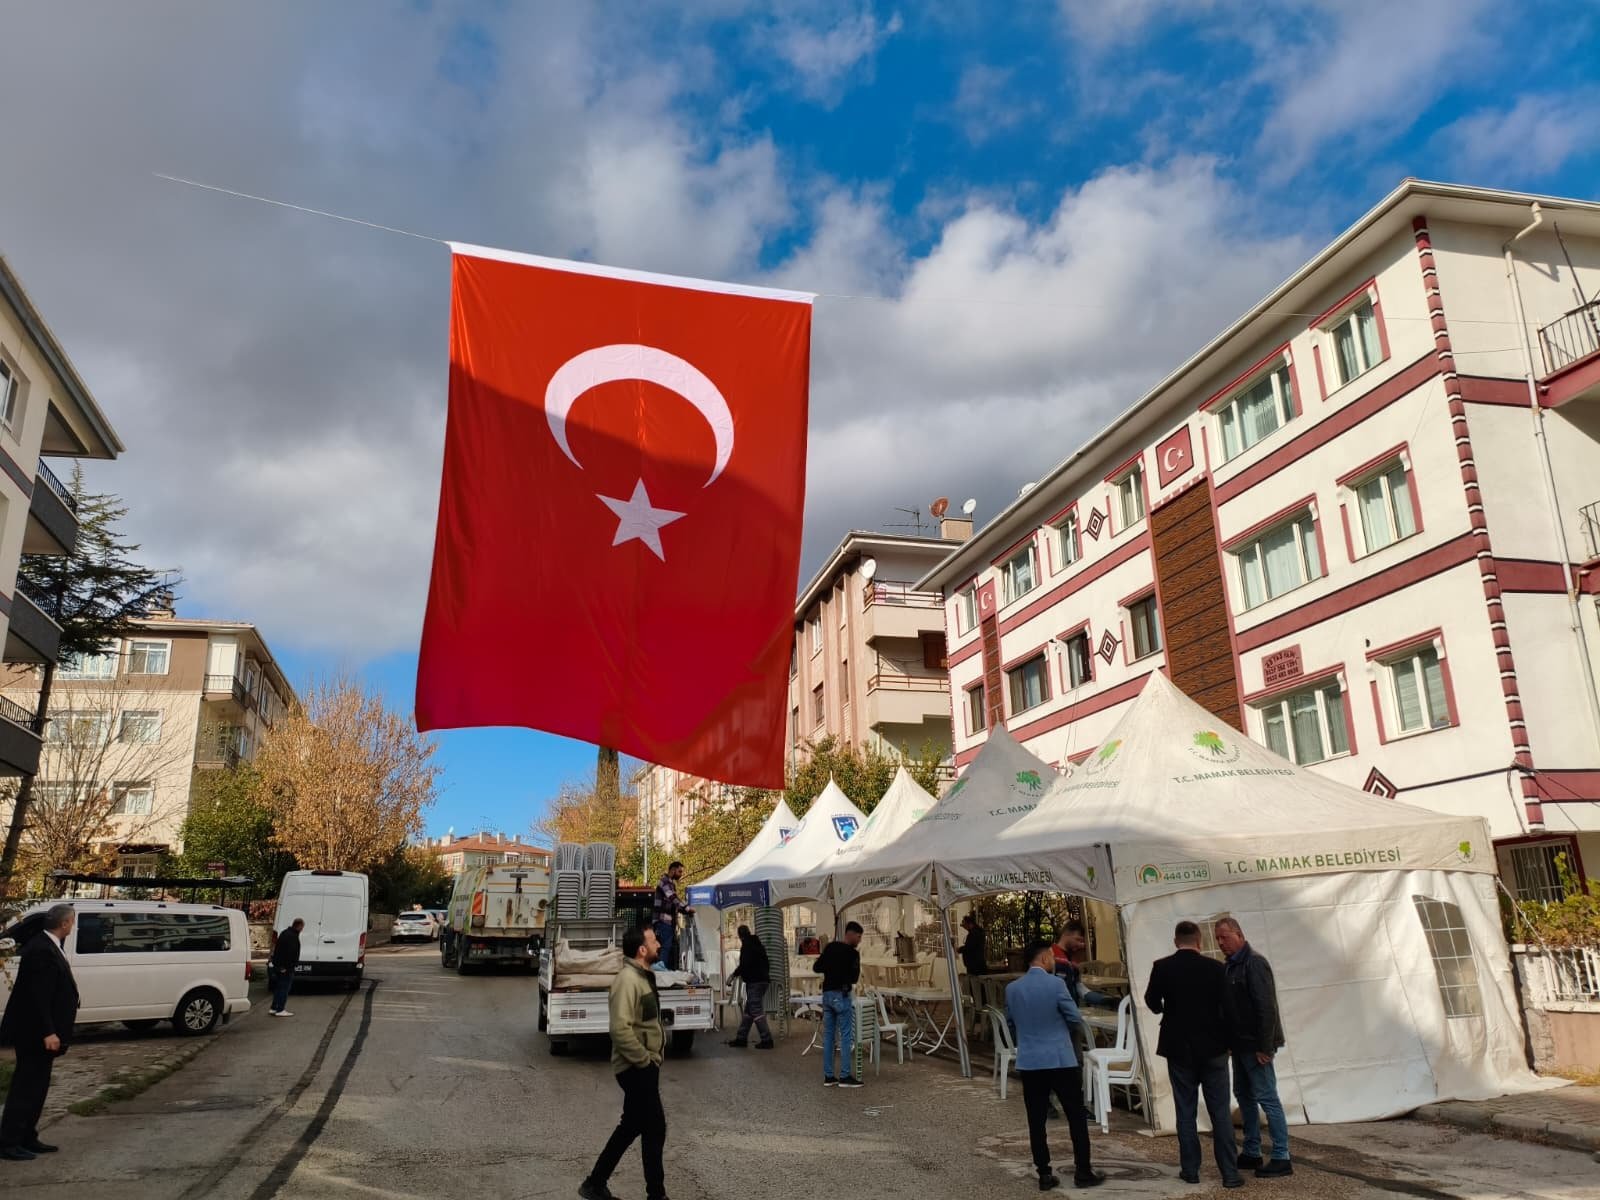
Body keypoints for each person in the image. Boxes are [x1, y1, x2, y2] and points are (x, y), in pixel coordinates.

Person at [1144, 921, 1243, 1189]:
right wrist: (1231, 1043)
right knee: (1220, 1112)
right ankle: (1230, 1173)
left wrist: (1167, 1008)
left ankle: (1191, 1170)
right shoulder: (1216, 968)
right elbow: (1230, 1009)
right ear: (1199, 942)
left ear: (1176, 942)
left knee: (1185, 1110)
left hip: (1178, 1048)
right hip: (1214, 1047)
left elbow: (1151, 1002)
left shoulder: (1162, 967)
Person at [1005, 940, 1104, 1191]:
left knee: (1036, 1120)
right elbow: (1074, 1018)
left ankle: (1045, 1173)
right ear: (1045, 958)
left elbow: (1011, 1022)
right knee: (1075, 1116)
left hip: (1030, 1060)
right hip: (1060, 1057)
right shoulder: (1056, 984)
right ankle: (1083, 1171)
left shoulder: (1013, 989)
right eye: (1050, 956)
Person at [580, 925, 669, 1200]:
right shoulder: (627, 980)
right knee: (655, 1128)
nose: (659, 944)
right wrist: (644, 1061)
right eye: (654, 941)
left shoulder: (643, 976)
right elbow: (619, 1029)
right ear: (642, 949)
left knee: (631, 1125)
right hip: (635, 1067)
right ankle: (656, 1195)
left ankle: (595, 1184)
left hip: (642, 1065)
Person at [0, 904, 80, 1162]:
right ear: (65, 924)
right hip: (34, 1032)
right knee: (26, 1086)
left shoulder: (50, 945)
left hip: (44, 1031)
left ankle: (27, 1136)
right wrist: (48, 1031)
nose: (72, 926)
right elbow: (36, 997)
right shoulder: (41, 951)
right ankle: (9, 1141)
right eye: (72, 922)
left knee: (38, 1086)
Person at [1216, 917, 1291, 1178]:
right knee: (1244, 1096)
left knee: (1267, 1097)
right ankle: (1252, 1150)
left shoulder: (1254, 963)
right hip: (1239, 1046)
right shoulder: (1231, 966)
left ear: (1238, 934)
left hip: (1255, 1046)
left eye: (1224, 937)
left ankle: (1282, 1155)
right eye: (1217, 938)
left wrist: (1265, 1046)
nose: (1220, 943)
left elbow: (1266, 1007)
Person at [813, 921, 863, 1088]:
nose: (860, 940)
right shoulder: (853, 954)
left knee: (828, 1036)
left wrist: (831, 965)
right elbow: (854, 978)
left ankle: (828, 1076)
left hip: (827, 996)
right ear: (850, 934)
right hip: (841, 996)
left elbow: (817, 967)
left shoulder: (830, 947)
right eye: (859, 936)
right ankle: (845, 1076)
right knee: (846, 1036)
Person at [726, 925, 774, 1049]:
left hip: (755, 982)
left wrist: (733, 975)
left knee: (756, 1010)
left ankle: (767, 1039)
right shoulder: (758, 945)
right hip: (763, 981)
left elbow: (744, 965)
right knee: (749, 1011)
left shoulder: (747, 946)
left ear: (740, 936)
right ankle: (741, 1038)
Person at [651, 861, 693, 971]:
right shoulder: (664, 882)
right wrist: (687, 908)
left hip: (668, 922)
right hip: (663, 920)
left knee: (668, 946)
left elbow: (675, 903)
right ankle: (660, 969)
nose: (681, 874)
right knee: (666, 946)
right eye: (679, 871)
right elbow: (673, 899)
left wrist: (684, 910)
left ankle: (662, 968)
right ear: (673, 870)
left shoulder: (670, 884)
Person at [269, 918, 304, 1017]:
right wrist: (286, 967)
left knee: (279, 987)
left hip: (279, 966)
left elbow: (278, 949)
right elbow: (290, 954)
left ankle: (274, 1008)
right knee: (284, 988)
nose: (302, 929)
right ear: (299, 926)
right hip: (286, 968)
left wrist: (277, 965)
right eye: (302, 927)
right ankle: (280, 1009)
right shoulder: (292, 936)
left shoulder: (285, 933)